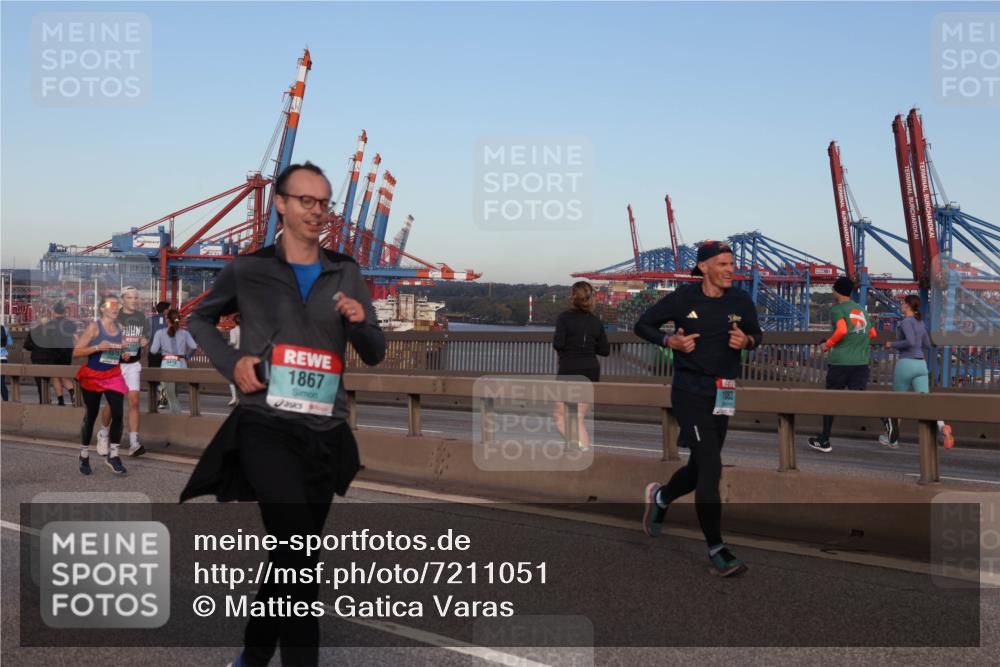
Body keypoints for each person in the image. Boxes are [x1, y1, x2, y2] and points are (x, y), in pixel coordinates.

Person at [180, 162, 386, 667]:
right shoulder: (249, 269)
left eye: (324, 203)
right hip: (265, 426)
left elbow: (376, 351)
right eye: (306, 201)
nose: (317, 212)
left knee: (292, 558)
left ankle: (251, 656)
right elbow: (199, 317)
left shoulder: (347, 272)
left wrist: (360, 322)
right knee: (298, 554)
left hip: (326, 431)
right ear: (281, 203)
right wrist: (233, 364)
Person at [635, 240, 762, 577]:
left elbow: (757, 335)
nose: (730, 270)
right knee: (712, 468)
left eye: (731, 264)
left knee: (698, 468)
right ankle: (717, 550)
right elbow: (642, 325)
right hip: (689, 391)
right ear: (704, 267)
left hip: (725, 391)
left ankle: (661, 498)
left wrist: (746, 341)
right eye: (722, 264)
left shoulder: (741, 299)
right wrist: (669, 341)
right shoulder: (683, 298)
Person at [808, 276, 877, 453]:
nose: (832, 292)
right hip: (861, 362)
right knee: (861, 398)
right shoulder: (861, 310)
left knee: (829, 402)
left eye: (833, 289)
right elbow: (873, 333)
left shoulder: (838, 309)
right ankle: (886, 419)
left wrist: (827, 344)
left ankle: (824, 440)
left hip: (840, 362)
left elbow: (842, 330)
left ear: (838, 291)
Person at [880, 294, 954, 449]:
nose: (901, 305)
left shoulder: (906, 321)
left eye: (902, 303)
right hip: (921, 365)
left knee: (897, 403)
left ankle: (892, 439)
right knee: (926, 402)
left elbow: (911, 341)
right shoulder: (920, 322)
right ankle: (942, 427)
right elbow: (927, 345)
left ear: (907, 305)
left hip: (906, 364)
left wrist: (891, 344)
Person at [73, 294, 129, 476]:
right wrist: (98, 347)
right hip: (93, 376)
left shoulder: (121, 327)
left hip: (113, 375)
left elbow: (121, 352)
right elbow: (77, 352)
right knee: (91, 415)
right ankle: (83, 454)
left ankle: (113, 455)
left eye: (117, 304)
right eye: (111, 304)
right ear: (102, 308)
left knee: (119, 413)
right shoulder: (94, 328)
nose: (115, 307)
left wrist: (125, 354)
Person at [552, 281, 609, 451]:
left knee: (559, 416)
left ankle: (579, 448)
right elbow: (605, 350)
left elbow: (558, 343)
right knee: (578, 418)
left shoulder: (564, 318)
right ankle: (580, 450)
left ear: (572, 297)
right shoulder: (595, 322)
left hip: (569, 370)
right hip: (590, 370)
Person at [97, 287, 148, 456]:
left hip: (133, 364)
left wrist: (144, 341)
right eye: (130, 297)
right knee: (113, 404)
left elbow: (145, 337)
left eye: (136, 297)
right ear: (123, 299)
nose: (134, 300)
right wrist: (119, 348)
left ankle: (134, 443)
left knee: (134, 401)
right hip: (115, 364)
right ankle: (103, 434)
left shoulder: (141, 318)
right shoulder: (113, 316)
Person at [150, 309, 198, 415]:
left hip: (167, 365)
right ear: (178, 320)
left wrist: (162, 350)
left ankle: (177, 420)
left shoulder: (160, 333)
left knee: (172, 397)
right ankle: (176, 417)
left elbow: (153, 350)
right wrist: (187, 356)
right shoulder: (185, 333)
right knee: (175, 395)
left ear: (167, 320)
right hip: (182, 365)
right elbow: (194, 346)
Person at [147, 301, 170, 409]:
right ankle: (162, 401)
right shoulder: (168, 321)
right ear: (165, 310)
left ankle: (154, 400)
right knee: (164, 377)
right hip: (166, 354)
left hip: (153, 352)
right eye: (168, 309)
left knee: (153, 377)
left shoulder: (150, 320)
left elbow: (148, 335)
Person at [227, 314, 241, 406]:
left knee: (232, 378)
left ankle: (234, 398)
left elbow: (233, 342)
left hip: (236, 356)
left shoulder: (233, 331)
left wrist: (227, 344)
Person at [0, 323, 11, 401]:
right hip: (2, 358)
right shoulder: (5, 329)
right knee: (1, 383)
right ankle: (6, 401)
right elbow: (10, 343)